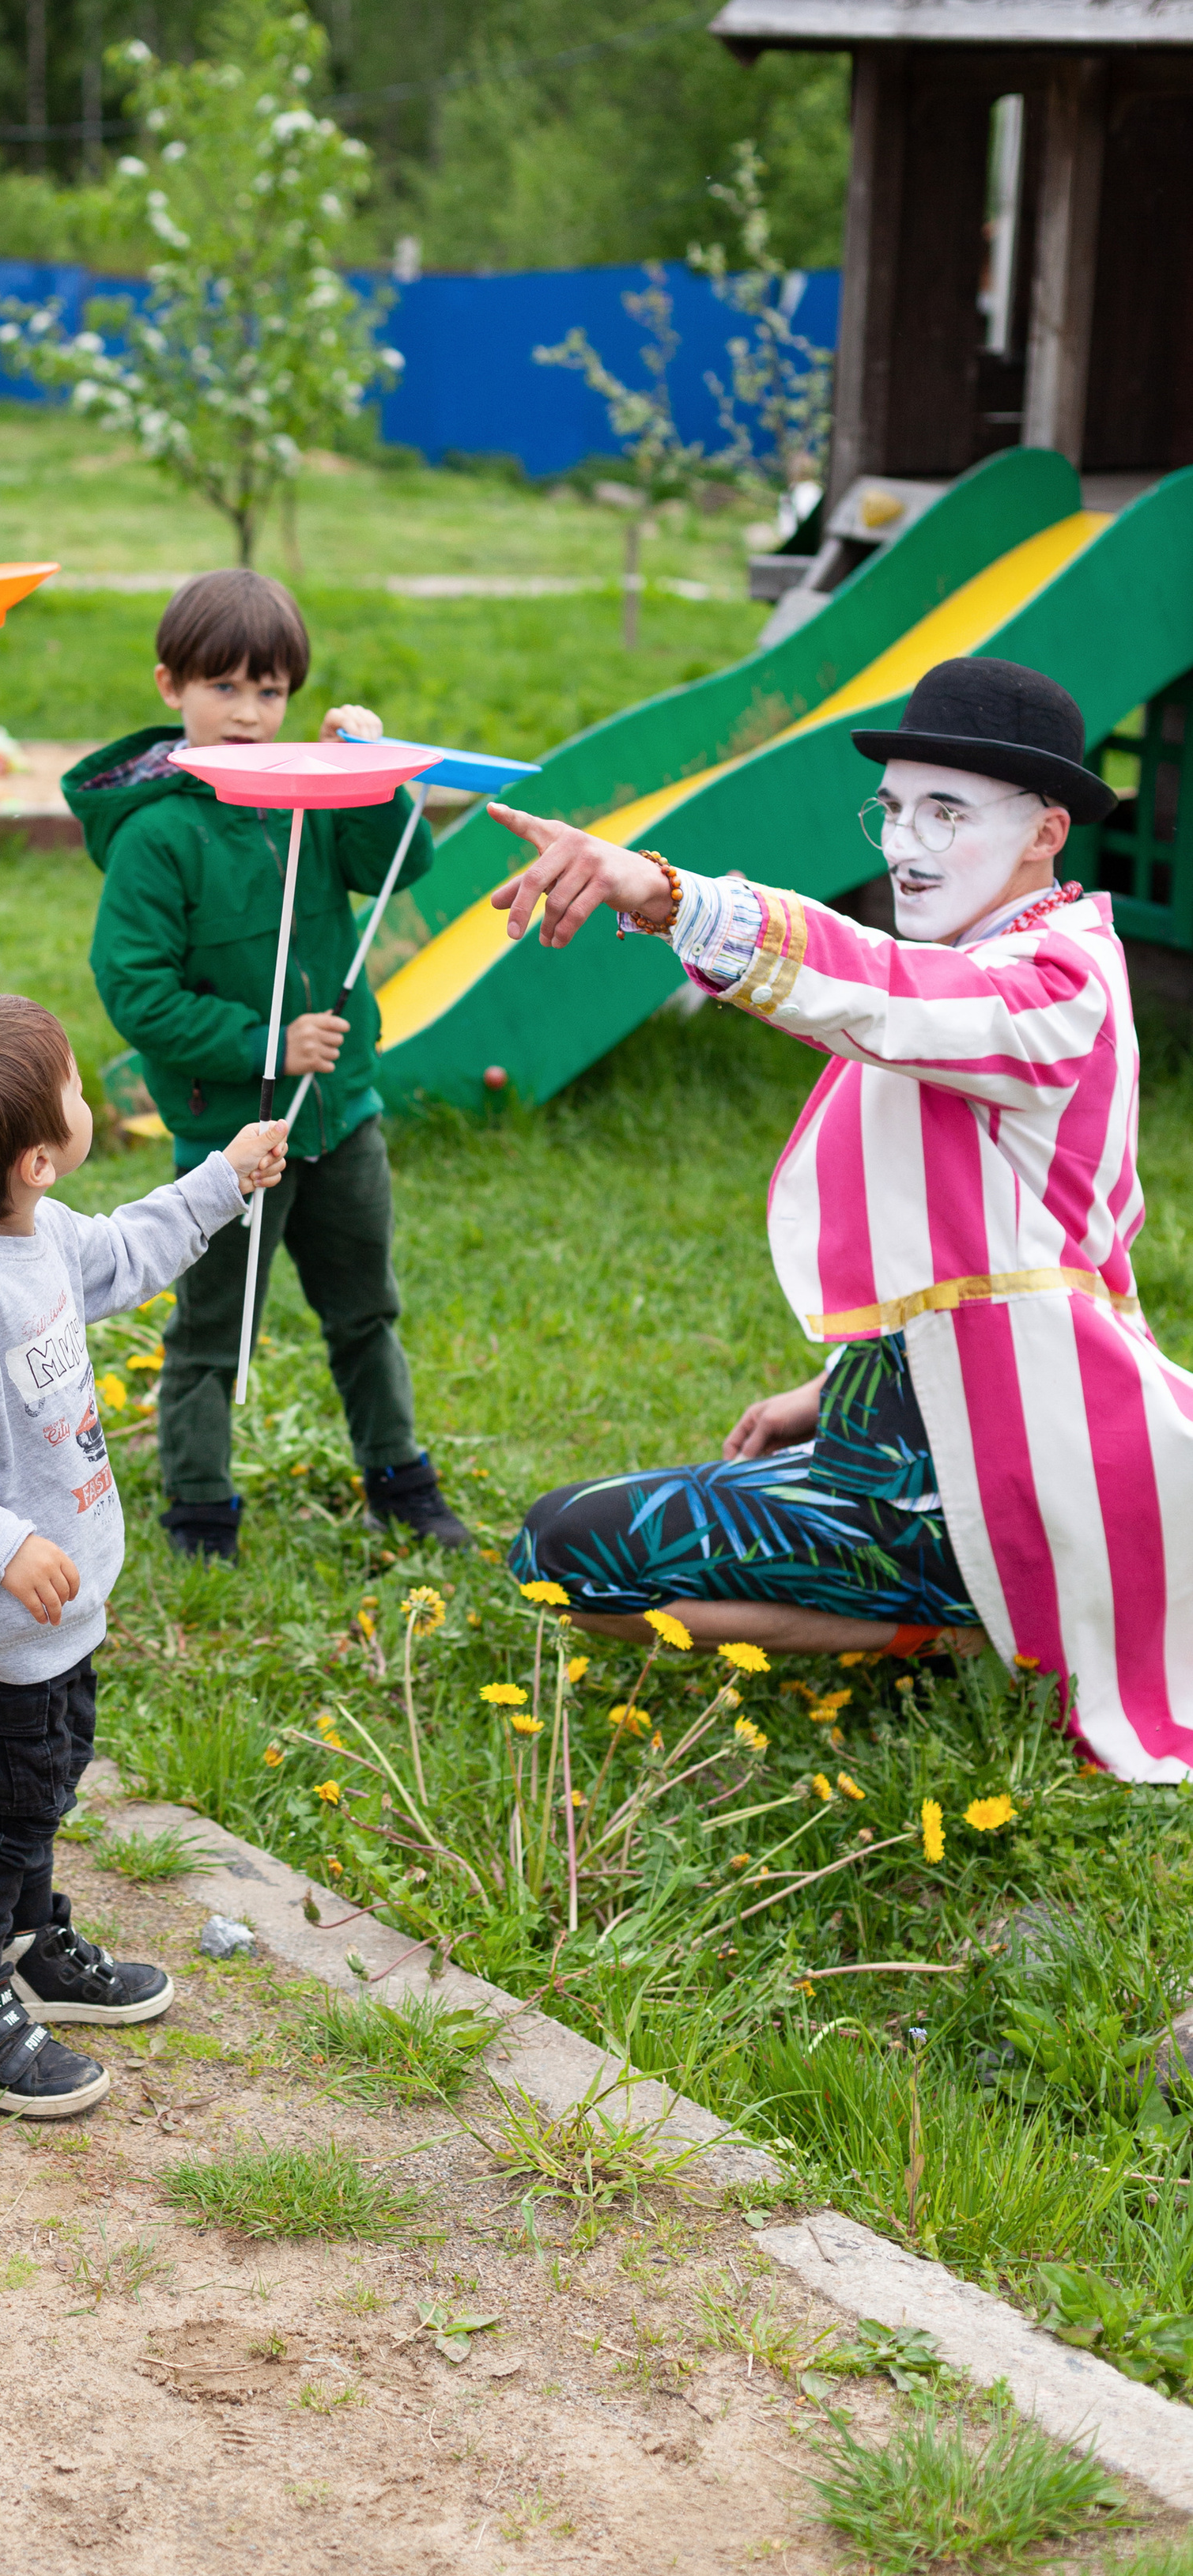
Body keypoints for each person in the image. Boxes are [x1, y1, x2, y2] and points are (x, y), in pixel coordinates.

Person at [500, 655, 1193, 1781]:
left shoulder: (1057, 981)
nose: (909, 846)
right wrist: (832, 1393)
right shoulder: (979, 966)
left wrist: (670, 894)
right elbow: (976, 1244)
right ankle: (974, 1606)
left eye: (948, 813)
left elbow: (874, 991)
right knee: (562, 1548)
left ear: (1045, 833)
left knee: (581, 1555)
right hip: (906, 1421)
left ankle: (991, 1610)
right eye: (895, 812)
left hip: (1029, 1444)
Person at [0, 991, 287, 2113]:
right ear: (39, 1157)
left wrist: (224, 1180)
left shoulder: (37, 1236)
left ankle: (36, 1942)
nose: (86, 1099)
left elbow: (131, 1250)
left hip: (57, 1608)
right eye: (73, 1090)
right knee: (5, 1810)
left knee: (48, 1780)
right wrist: (2, 1544)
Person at [62, 568, 467, 1564]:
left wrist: (369, 770)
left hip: (342, 1117)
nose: (248, 714)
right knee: (213, 1329)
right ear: (171, 687)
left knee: (365, 1308)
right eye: (224, 688)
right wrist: (262, 1045)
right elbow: (136, 993)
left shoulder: (312, 799)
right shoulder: (157, 835)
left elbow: (399, 864)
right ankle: (198, 1509)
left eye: (271, 691)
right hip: (227, 1134)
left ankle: (398, 1480)